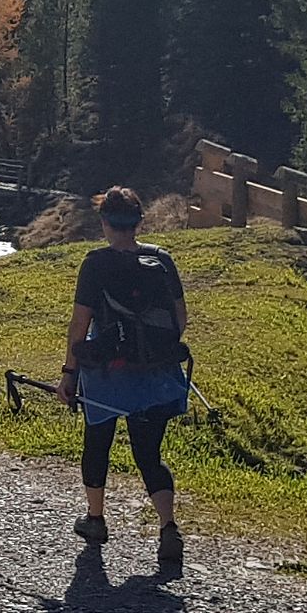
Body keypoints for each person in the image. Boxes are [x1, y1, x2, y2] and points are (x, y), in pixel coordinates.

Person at [62, 186, 189, 557]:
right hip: (155, 372)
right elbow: (180, 319)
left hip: (106, 373)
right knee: (149, 453)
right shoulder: (162, 260)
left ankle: (96, 519)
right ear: (138, 222)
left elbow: (79, 324)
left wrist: (69, 372)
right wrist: (148, 347)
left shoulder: (95, 264)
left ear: (104, 223)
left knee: (97, 442)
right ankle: (168, 527)